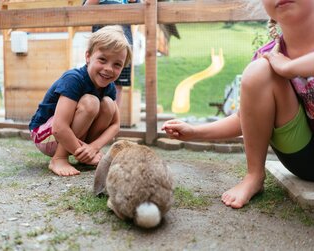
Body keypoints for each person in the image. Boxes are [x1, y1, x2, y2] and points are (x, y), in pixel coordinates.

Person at [162, 0, 314, 209]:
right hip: (304, 158)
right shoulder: (270, 54)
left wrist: (290, 68)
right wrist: (194, 132)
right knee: (258, 72)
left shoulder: (283, 62)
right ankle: (254, 175)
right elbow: (247, 119)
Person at [29, 26, 132, 176]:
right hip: (45, 136)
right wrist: (80, 150)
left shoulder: (108, 87)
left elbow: (115, 125)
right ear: (88, 56)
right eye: (102, 59)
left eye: (117, 64)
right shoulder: (74, 79)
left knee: (109, 105)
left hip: (70, 136)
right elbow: (59, 127)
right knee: (91, 102)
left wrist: (93, 148)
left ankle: (84, 156)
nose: (109, 68)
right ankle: (59, 157)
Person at [83, 0, 138, 108]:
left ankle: (113, 116)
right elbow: (85, 9)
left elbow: (139, 16)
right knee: (95, 78)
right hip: (103, 42)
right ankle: (95, 114)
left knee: (118, 83)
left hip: (123, 43)